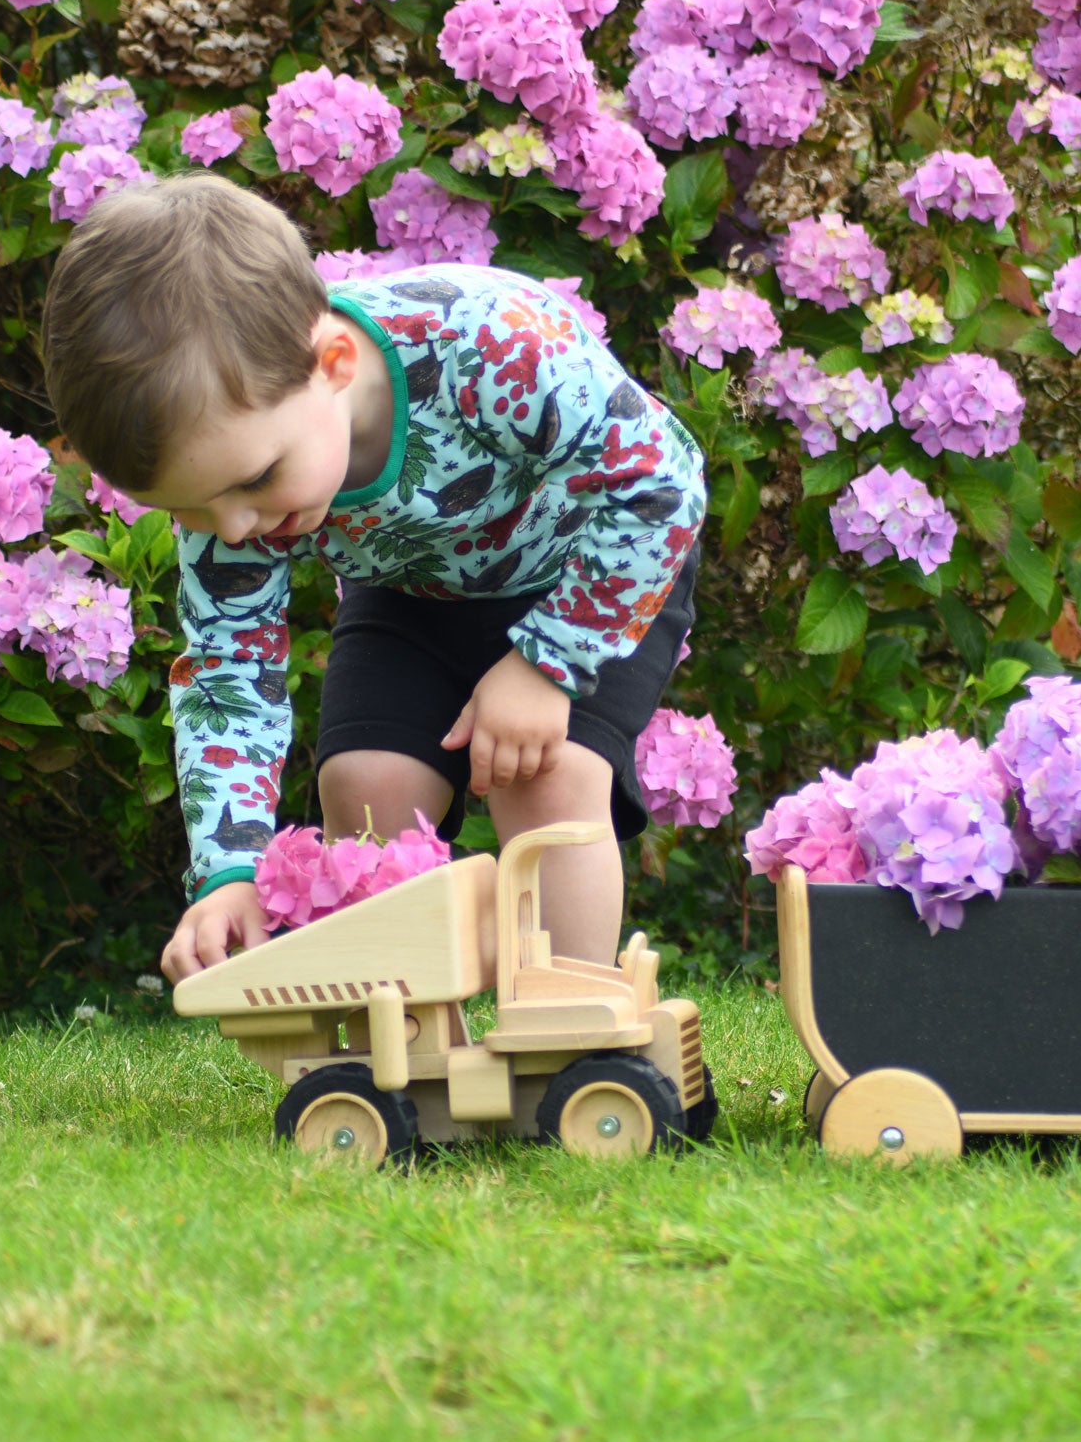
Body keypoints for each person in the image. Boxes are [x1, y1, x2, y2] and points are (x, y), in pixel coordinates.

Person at [41, 175, 705, 983]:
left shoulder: (489, 343)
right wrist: (229, 873)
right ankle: (412, 1048)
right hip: (414, 595)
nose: (235, 529)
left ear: (333, 363)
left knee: (548, 778)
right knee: (364, 785)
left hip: (589, 570)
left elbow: (662, 483)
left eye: (254, 481)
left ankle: (570, 1042)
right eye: (190, 511)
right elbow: (229, 672)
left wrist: (545, 665)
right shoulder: (231, 490)